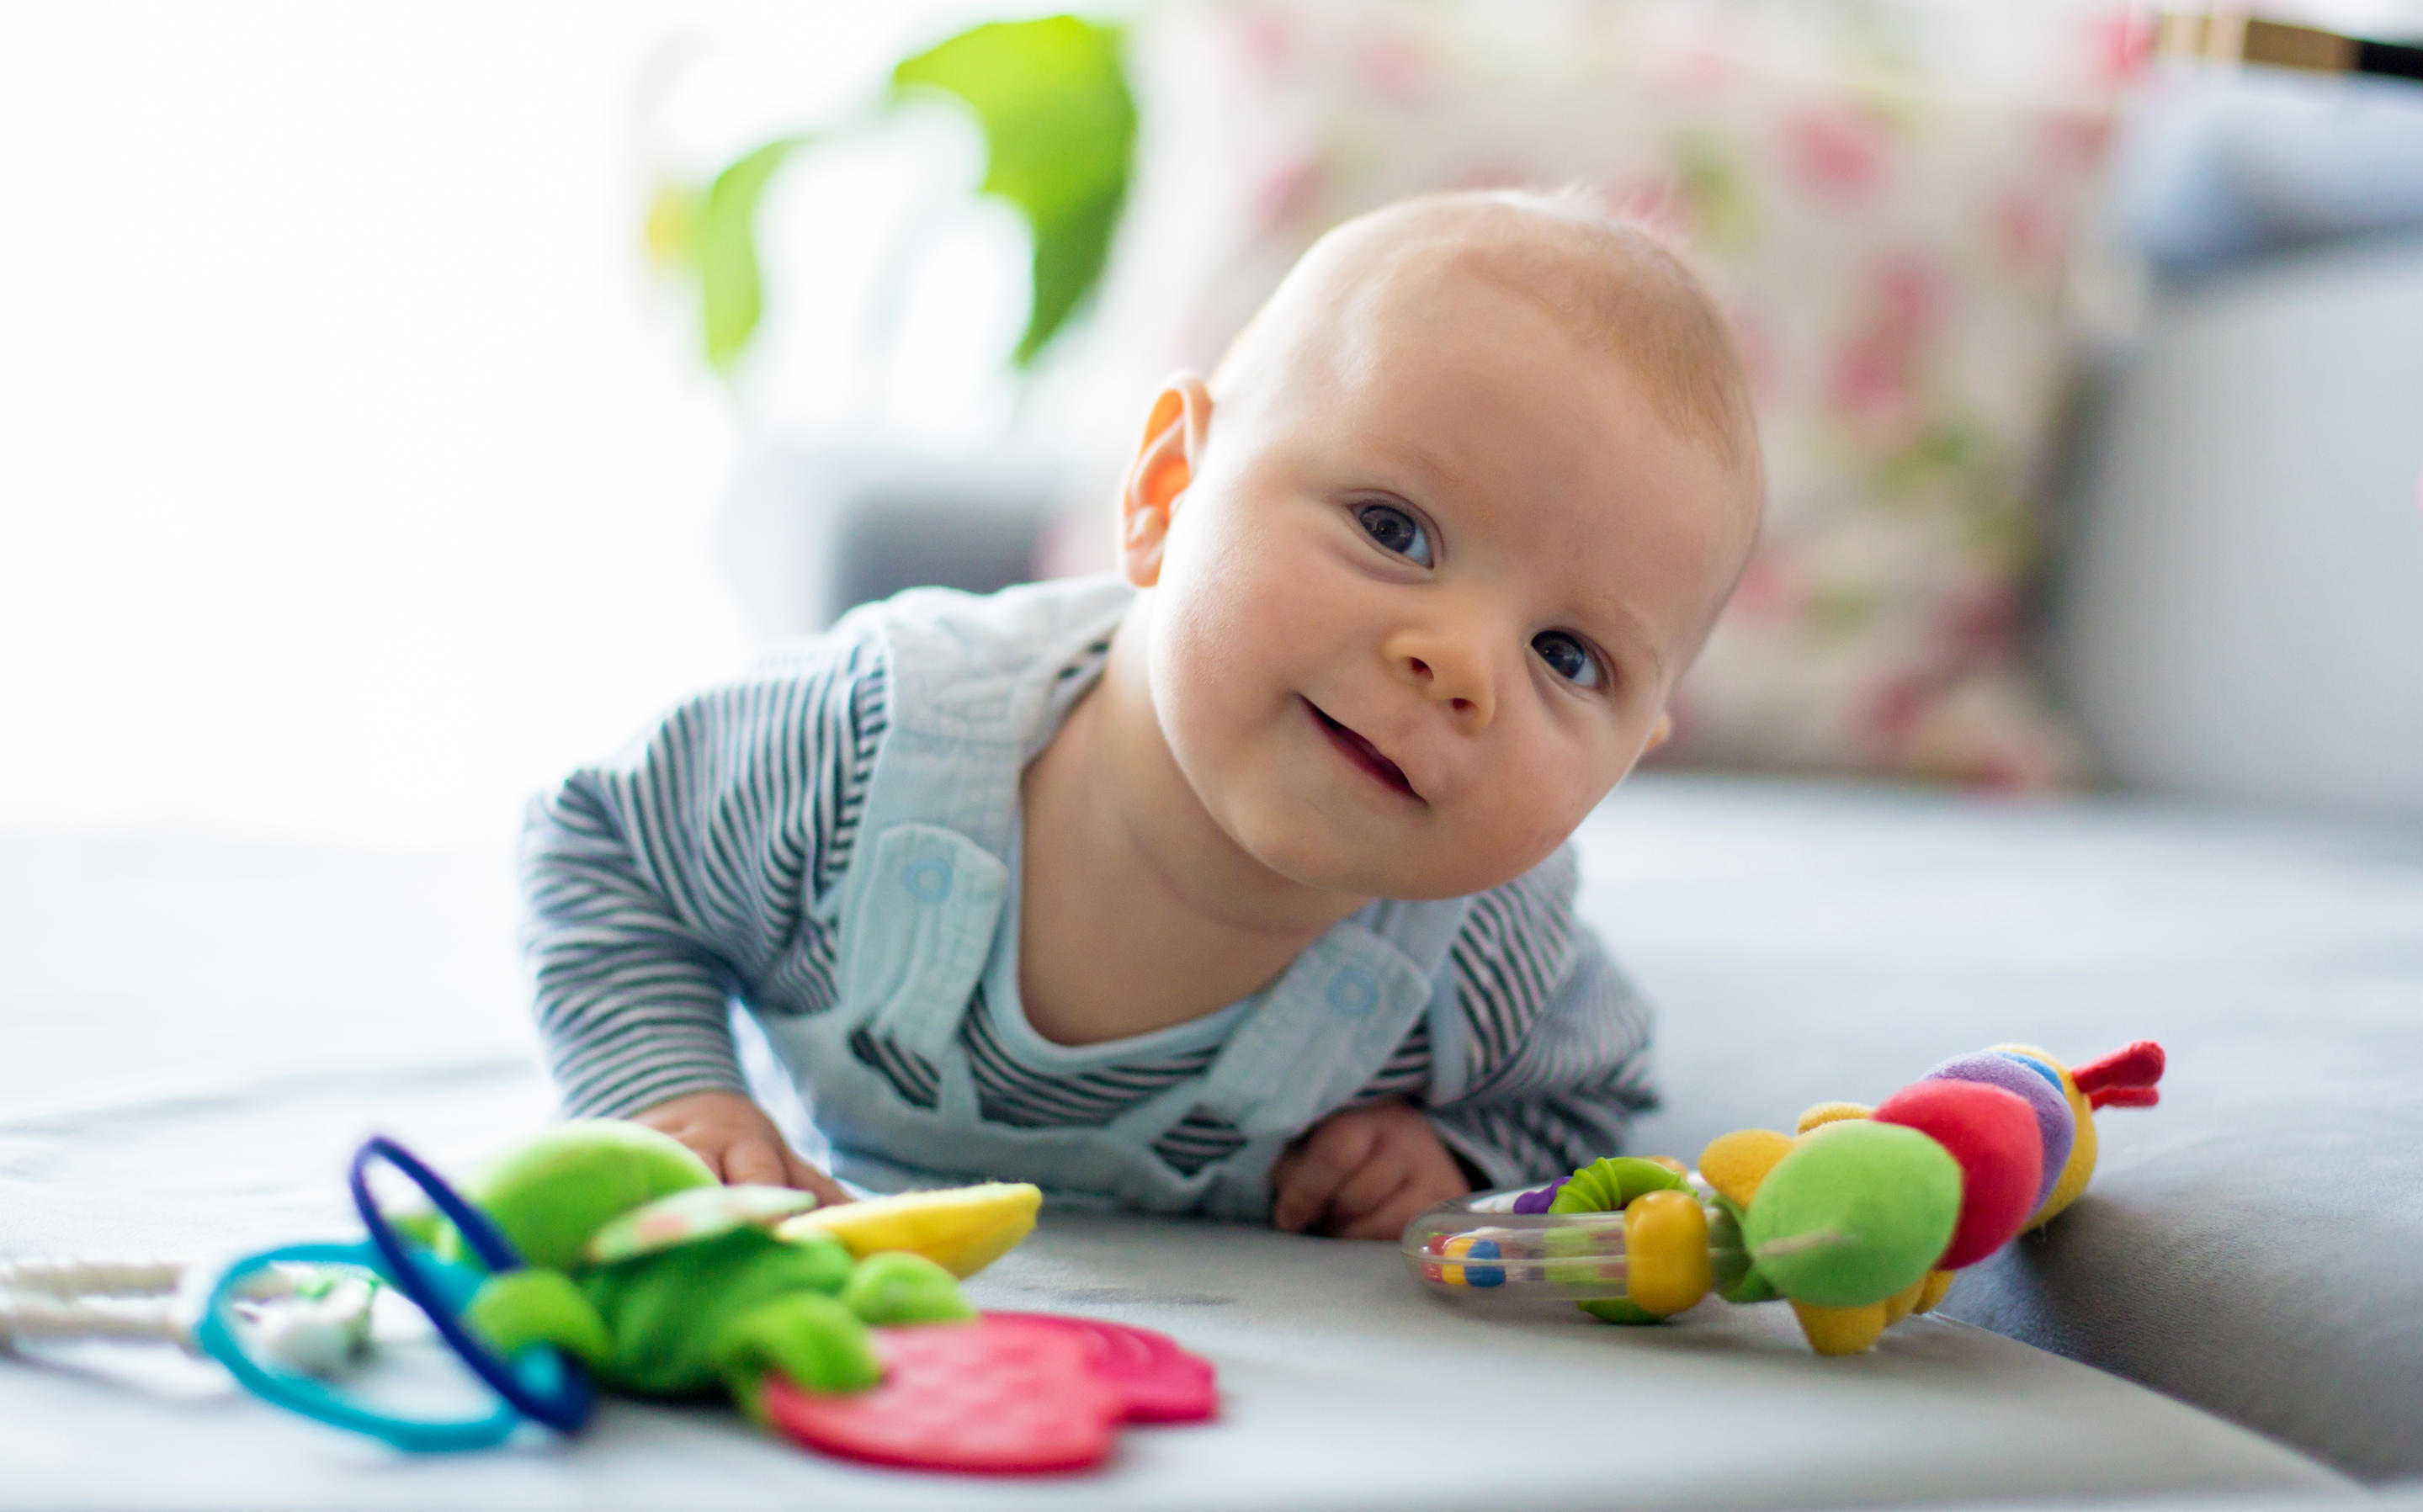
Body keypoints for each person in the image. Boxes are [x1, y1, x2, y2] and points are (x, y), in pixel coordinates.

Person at [520, 188, 1763, 1242]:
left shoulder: (1483, 960)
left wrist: (1450, 1153)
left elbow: (1592, 1093)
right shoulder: (868, 742)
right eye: (1394, 529)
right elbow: (606, 848)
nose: (1460, 664)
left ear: (1629, 755)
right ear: (1169, 487)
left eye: (1567, 654)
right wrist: (671, 1093)